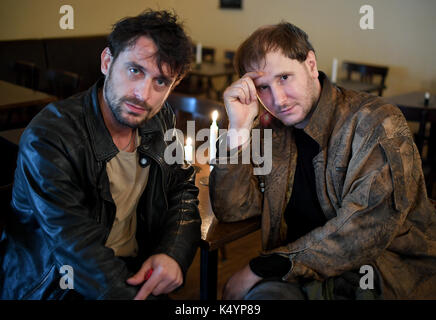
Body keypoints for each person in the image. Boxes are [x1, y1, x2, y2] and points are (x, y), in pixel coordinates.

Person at [210, 22, 436, 300]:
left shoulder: (376, 121)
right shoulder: (272, 132)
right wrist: (238, 130)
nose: (277, 99)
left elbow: (365, 231)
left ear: (311, 65)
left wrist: (267, 265)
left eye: (284, 78)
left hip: (379, 276)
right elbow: (233, 209)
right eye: (263, 87)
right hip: (299, 276)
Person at [0, 10, 201, 300]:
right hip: (58, 284)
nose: (143, 94)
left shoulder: (162, 119)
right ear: (107, 62)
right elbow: (76, 247)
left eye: (160, 82)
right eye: (135, 70)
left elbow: (182, 189)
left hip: (132, 270)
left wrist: (172, 254)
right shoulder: (50, 136)